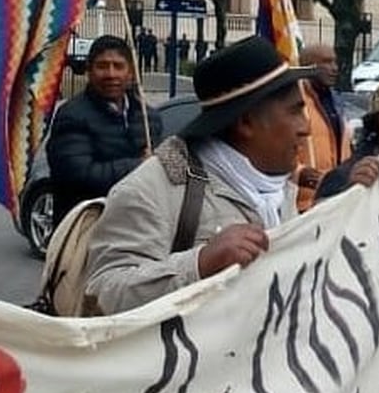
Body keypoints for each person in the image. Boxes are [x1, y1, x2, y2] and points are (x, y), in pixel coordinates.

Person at [85, 36, 315, 314]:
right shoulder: (153, 189)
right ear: (246, 122)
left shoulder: (278, 186)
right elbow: (104, 292)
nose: (307, 128)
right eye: (295, 111)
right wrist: (199, 264)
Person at [46, 34, 162, 226]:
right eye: (102, 66)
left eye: (118, 66)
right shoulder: (72, 115)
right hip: (87, 228)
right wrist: (140, 165)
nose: (111, 74)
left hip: (136, 228)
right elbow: (78, 176)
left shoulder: (149, 118)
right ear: (89, 72)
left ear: (130, 73)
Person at [293, 43, 352, 211]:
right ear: (308, 66)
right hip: (303, 204)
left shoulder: (337, 102)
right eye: (326, 62)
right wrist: (300, 174)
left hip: (336, 200)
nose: (334, 68)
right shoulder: (294, 102)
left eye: (335, 62)